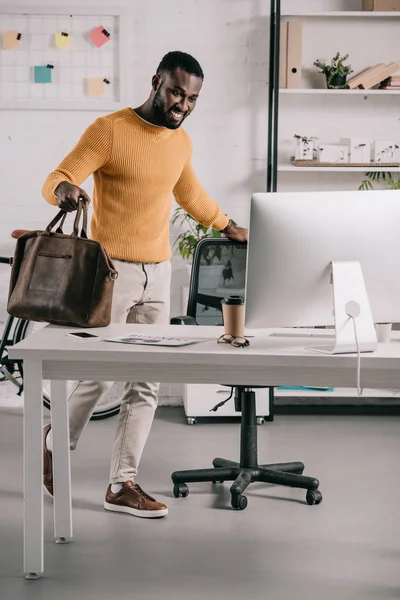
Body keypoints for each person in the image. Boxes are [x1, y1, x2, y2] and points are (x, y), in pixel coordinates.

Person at [41, 50, 248, 519]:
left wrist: (226, 224)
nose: (183, 105)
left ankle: (123, 482)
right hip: (112, 271)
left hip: (160, 272)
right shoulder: (109, 131)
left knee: (146, 381)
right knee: (100, 372)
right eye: (176, 92)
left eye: (192, 98)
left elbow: (189, 192)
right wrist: (64, 190)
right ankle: (56, 441)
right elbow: (60, 174)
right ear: (156, 81)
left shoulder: (180, 142)